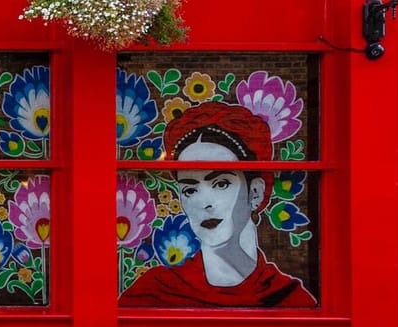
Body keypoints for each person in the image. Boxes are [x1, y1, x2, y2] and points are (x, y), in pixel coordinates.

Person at [119, 102, 317, 308]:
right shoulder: (153, 292)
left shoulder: (290, 299)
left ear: (255, 192)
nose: (205, 203)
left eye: (221, 184)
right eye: (190, 190)